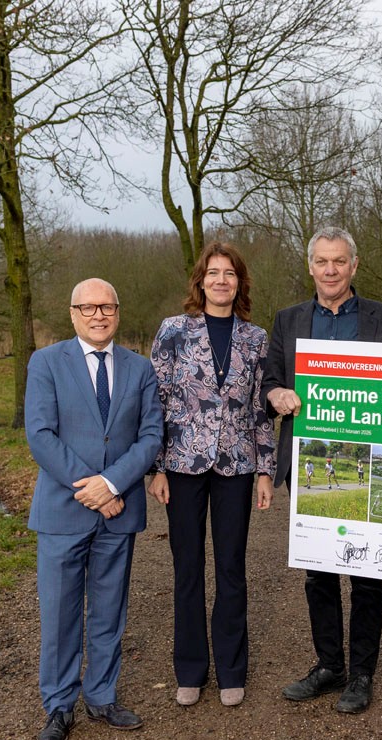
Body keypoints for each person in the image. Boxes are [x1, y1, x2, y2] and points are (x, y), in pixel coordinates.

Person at [264, 226, 382, 714]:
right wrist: (276, 394)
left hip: (368, 460)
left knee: (366, 572)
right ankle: (329, 665)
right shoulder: (287, 320)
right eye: (322, 261)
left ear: (354, 265)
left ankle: (362, 673)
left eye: (339, 261)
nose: (330, 270)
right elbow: (271, 379)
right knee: (318, 572)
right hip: (307, 459)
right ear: (310, 266)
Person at [25, 277, 162, 740]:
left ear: (118, 311)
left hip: (118, 512)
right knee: (60, 615)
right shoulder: (46, 362)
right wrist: (95, 488)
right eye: (88, 307)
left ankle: (101, 696)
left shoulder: (140, 369)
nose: (98, 315)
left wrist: (114, 483)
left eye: (107, 306)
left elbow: (150, 438)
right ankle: (59, 706)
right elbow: (41, 434)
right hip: (64, 511)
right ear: (73, 313)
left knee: (109, 611)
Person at [148, 242, 275, 709]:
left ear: (240, 283)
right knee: (187, 568)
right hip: (182, 465)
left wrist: (265, 470)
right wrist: (156, 467)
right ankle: (190, 669)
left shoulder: (256, 338)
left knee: (230, 568)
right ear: (200, 281)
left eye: (230, 274)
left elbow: (262, 410)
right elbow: (155, 402)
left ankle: (231, 670)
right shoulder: (174, 332)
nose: (221, 281)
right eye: (213, 273)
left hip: (235, 467)